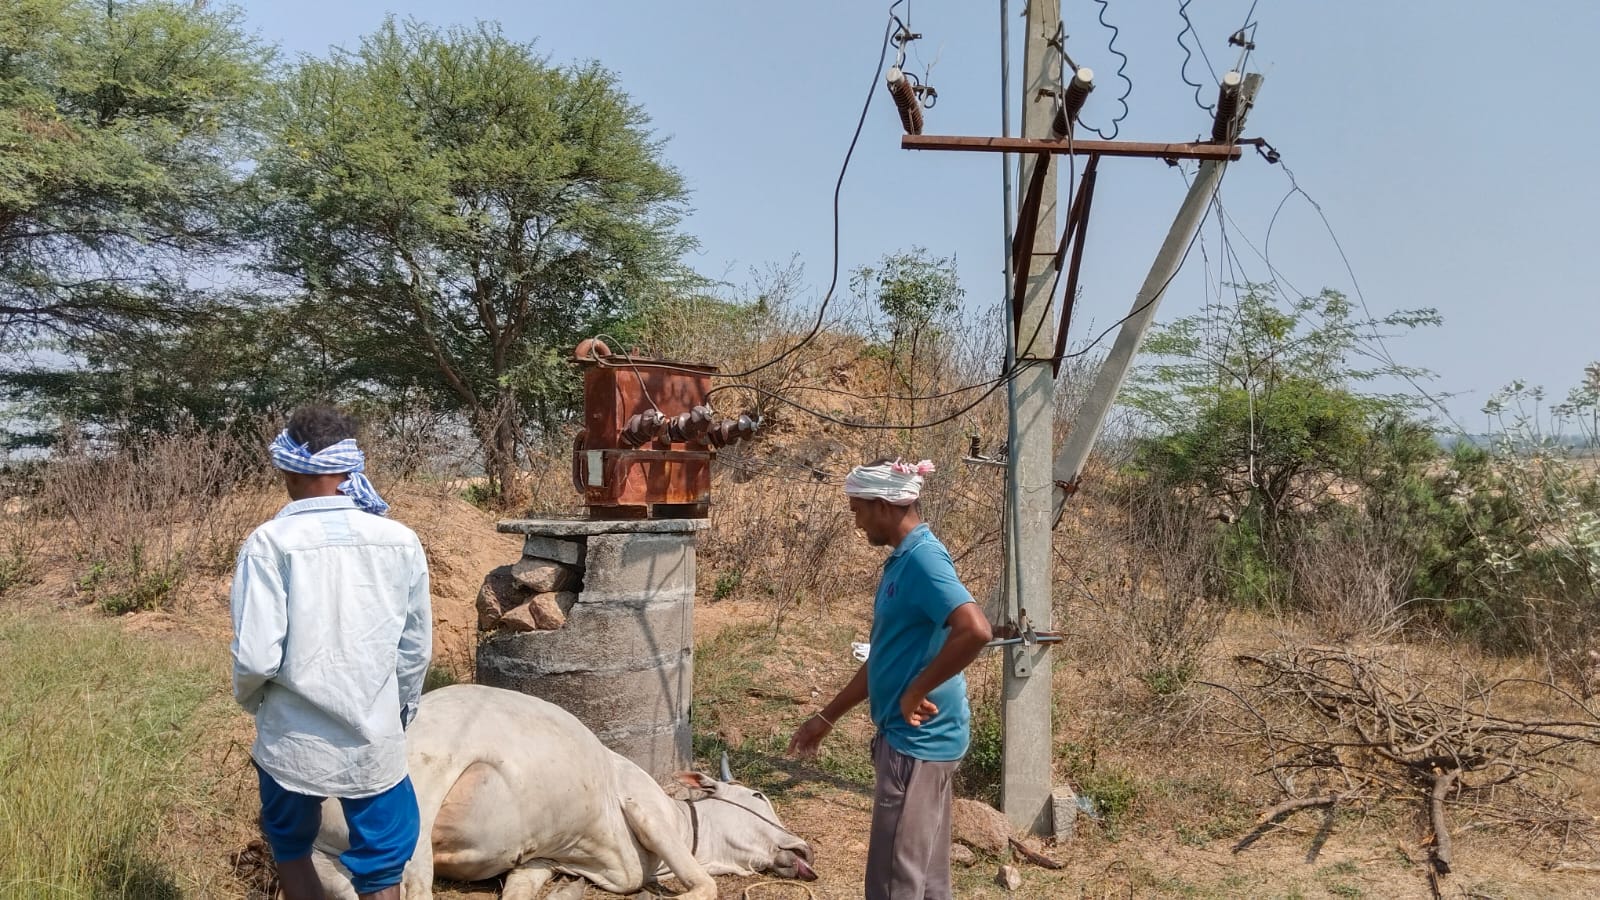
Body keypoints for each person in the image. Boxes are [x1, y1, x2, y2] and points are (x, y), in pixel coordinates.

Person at [230, 405, 433, 900]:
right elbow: (415, 649)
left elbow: (257, 658)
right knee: (383, 865)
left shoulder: (268, 544)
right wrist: (397, 711)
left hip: (292, 742)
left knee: (291, 846)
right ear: (350, 468)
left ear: (287, 469)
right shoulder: (400, 541)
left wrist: (256, 703)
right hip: (373, 742)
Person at [787, 458, 993, 900]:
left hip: (916, 744)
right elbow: (885, 659)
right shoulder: (904, 560)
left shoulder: (922, 560)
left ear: (882, 506)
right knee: (925, 880)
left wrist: (915, 690)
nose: (856, 522)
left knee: (892, 884)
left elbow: (975, 629)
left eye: (857, 510)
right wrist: (826, 718)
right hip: (916, 743)